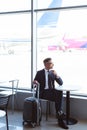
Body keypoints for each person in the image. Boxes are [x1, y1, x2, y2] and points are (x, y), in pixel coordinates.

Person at [33, 57, 68, 129]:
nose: (53, 64)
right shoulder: (39, 73)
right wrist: (35, 83)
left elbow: (61, 83)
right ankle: (60, 115)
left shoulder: (53, 73)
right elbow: (33, 86)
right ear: (46, 64)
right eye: (51, 63)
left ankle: (60, 117)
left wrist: (57, 75)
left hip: (50, 92)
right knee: (58, 96)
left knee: (59, 92)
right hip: (42, 93)